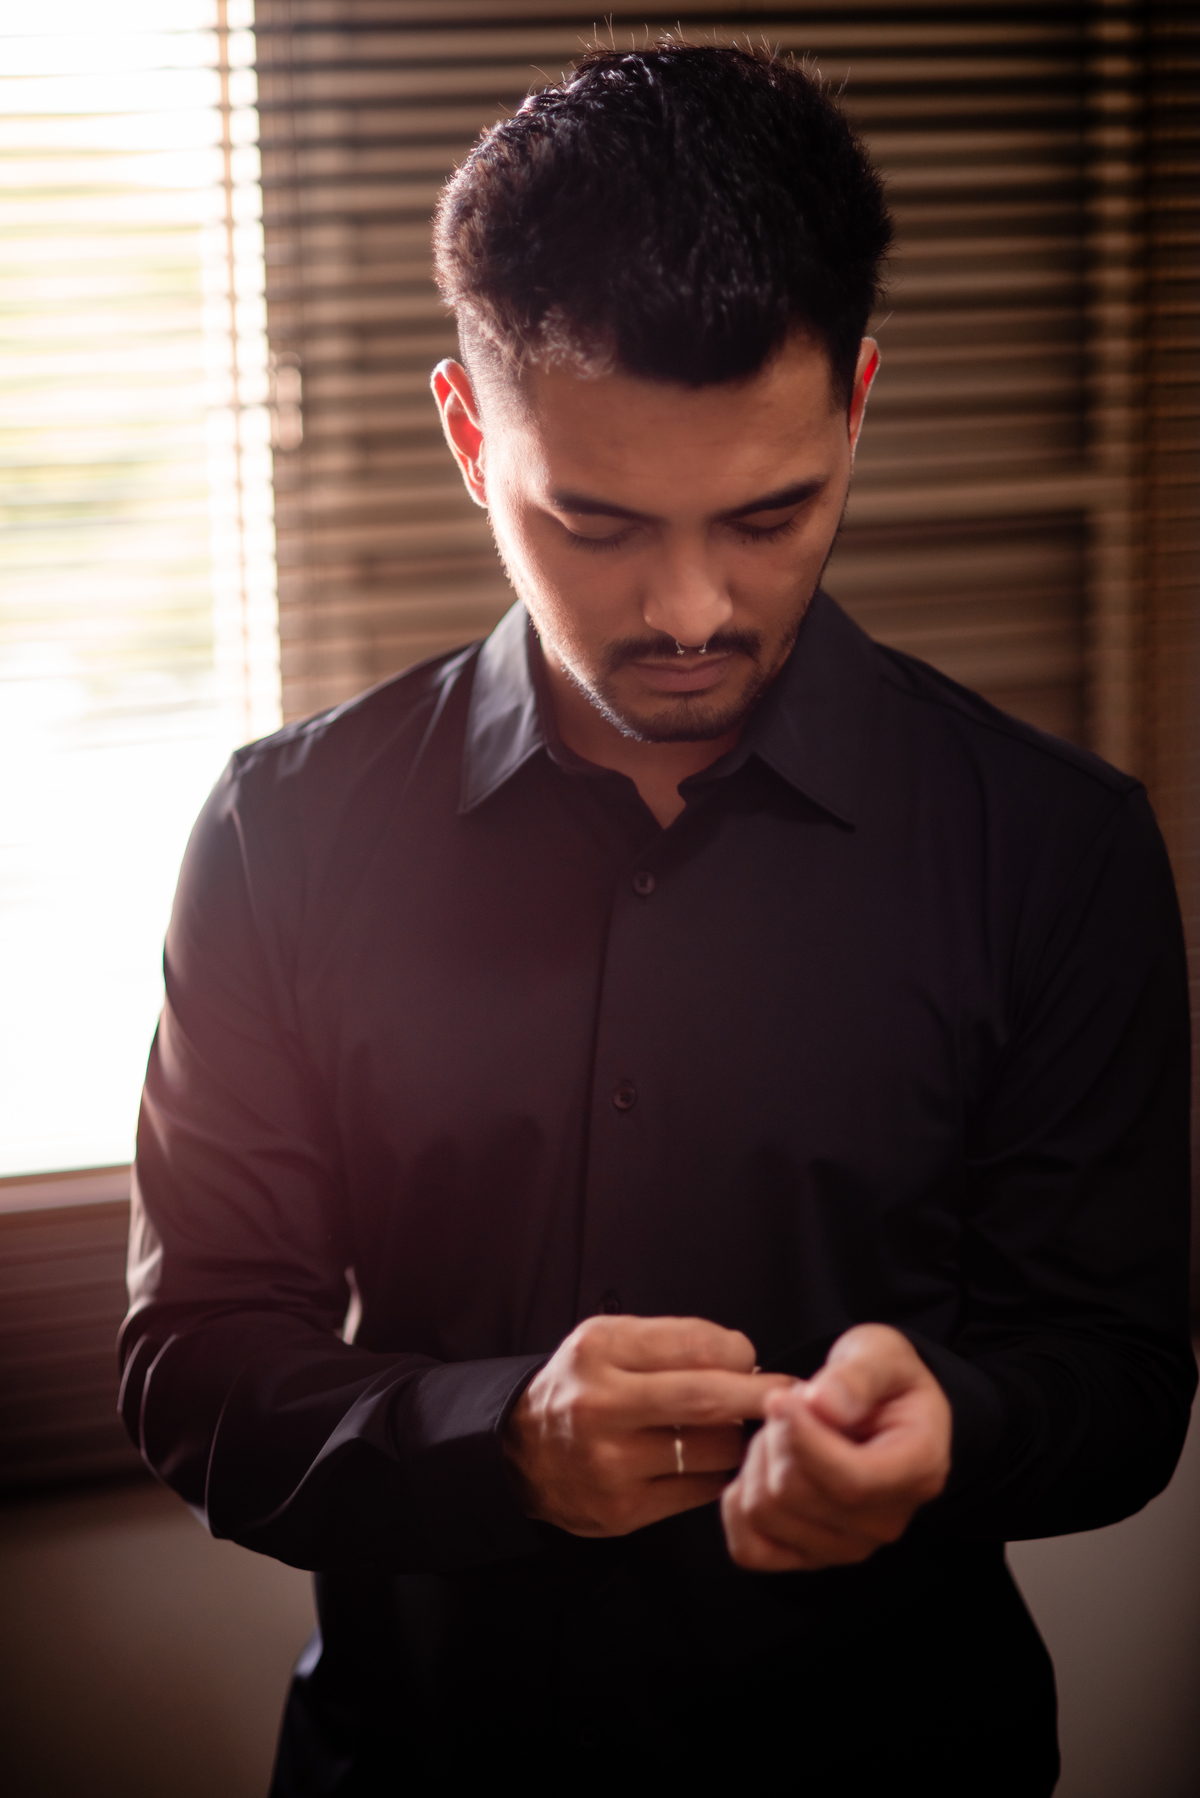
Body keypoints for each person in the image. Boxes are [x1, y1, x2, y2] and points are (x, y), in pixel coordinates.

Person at [119, 43, 1194, 1797]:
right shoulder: (280, 835)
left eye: (771, 516)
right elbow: (194, 1368)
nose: (690, 607)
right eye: (595, 521)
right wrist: (500, 1441)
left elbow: (1124, 1382)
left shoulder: (1055, 848)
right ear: (474, 440)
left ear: (855, 408)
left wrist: (955, 1433)